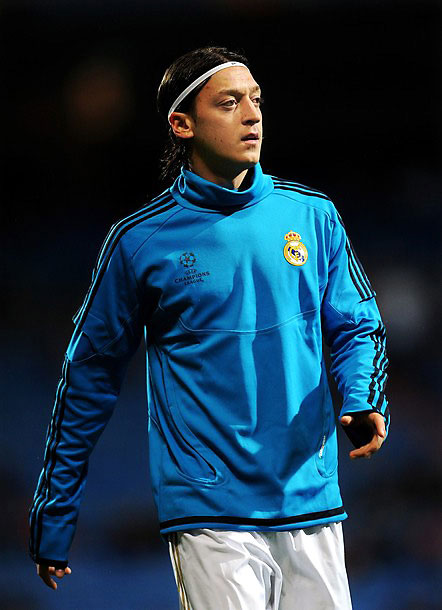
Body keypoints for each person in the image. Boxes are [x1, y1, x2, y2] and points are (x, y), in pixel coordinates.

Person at [30, 46, 389, 609]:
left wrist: (361, 395)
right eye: (229, 103)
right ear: (183, 124)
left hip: (309, 498)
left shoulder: (312, 216)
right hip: (208, 512)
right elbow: (87, 379)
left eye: (256, 100)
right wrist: (56, 511)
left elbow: (356, 324)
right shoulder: (140, 242)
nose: (252, 115)